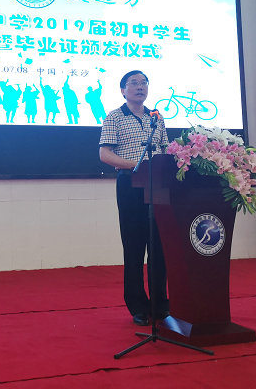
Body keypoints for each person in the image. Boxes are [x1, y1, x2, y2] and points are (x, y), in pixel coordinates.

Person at [98, 70, 170, 327]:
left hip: (157, 184)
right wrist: (135, 165)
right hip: (130, 183)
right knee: (134, 245)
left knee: (159, 247)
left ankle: (160, 305)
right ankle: (138, 306)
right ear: (123, 90)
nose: (140, 87)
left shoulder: (156, 117)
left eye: (144, 83)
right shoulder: (114, 117)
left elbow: (166, 149)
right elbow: (105, 154)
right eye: (134, 83)